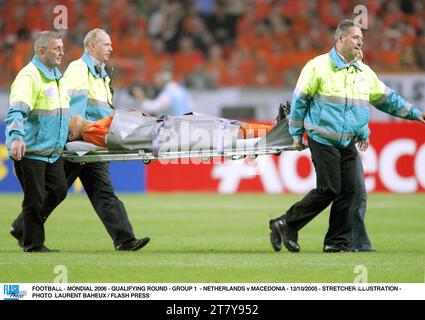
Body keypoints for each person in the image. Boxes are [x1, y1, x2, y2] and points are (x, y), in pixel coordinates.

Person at [269, 19, 425, 253]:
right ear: (339, 39)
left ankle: (335, 242)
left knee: (350, 191)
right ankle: (287, 223)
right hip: (321, 137)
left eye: (361, 39)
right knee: (329, 189)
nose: (360, 42)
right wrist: (296, 134)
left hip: (347, 140)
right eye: (355, 37)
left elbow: (387, 100)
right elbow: (299, 101)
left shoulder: (363, 72)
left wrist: (415, 113)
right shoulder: (318, 66)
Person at [10, 28, 150, 251]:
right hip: (78, 143)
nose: (111, 48)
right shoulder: (79, 69)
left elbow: (101, 113)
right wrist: (81, 134)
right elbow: (74, 113)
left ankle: (125, 240)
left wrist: (122, 119)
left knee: (100, 192)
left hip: (91, 143)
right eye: (106, 44)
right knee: (54, 192)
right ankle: (24, 230)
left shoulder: (100, 74)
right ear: (92, 45)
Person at [6, 31, 69, 252]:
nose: (62, 51)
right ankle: (33, 245)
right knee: (35, 199)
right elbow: (16, 112)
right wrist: (16, 138)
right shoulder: (29, 76)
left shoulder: (56, 76)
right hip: (31, 150)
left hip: (51, 152)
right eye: (57, 48)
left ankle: (21, 226)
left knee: (59, 190)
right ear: (42, 52)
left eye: (62, 47)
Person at [67, 112, 274, 148]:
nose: (70, 117)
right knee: (225, 131)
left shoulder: (95, 126)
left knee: (227, 126)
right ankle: (274, 131)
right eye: (68, 122)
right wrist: (136, 117)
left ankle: (273, 128)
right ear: (73, 134)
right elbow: (123, 136)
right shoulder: (92, 132)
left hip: (163, 127)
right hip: (167, 133)